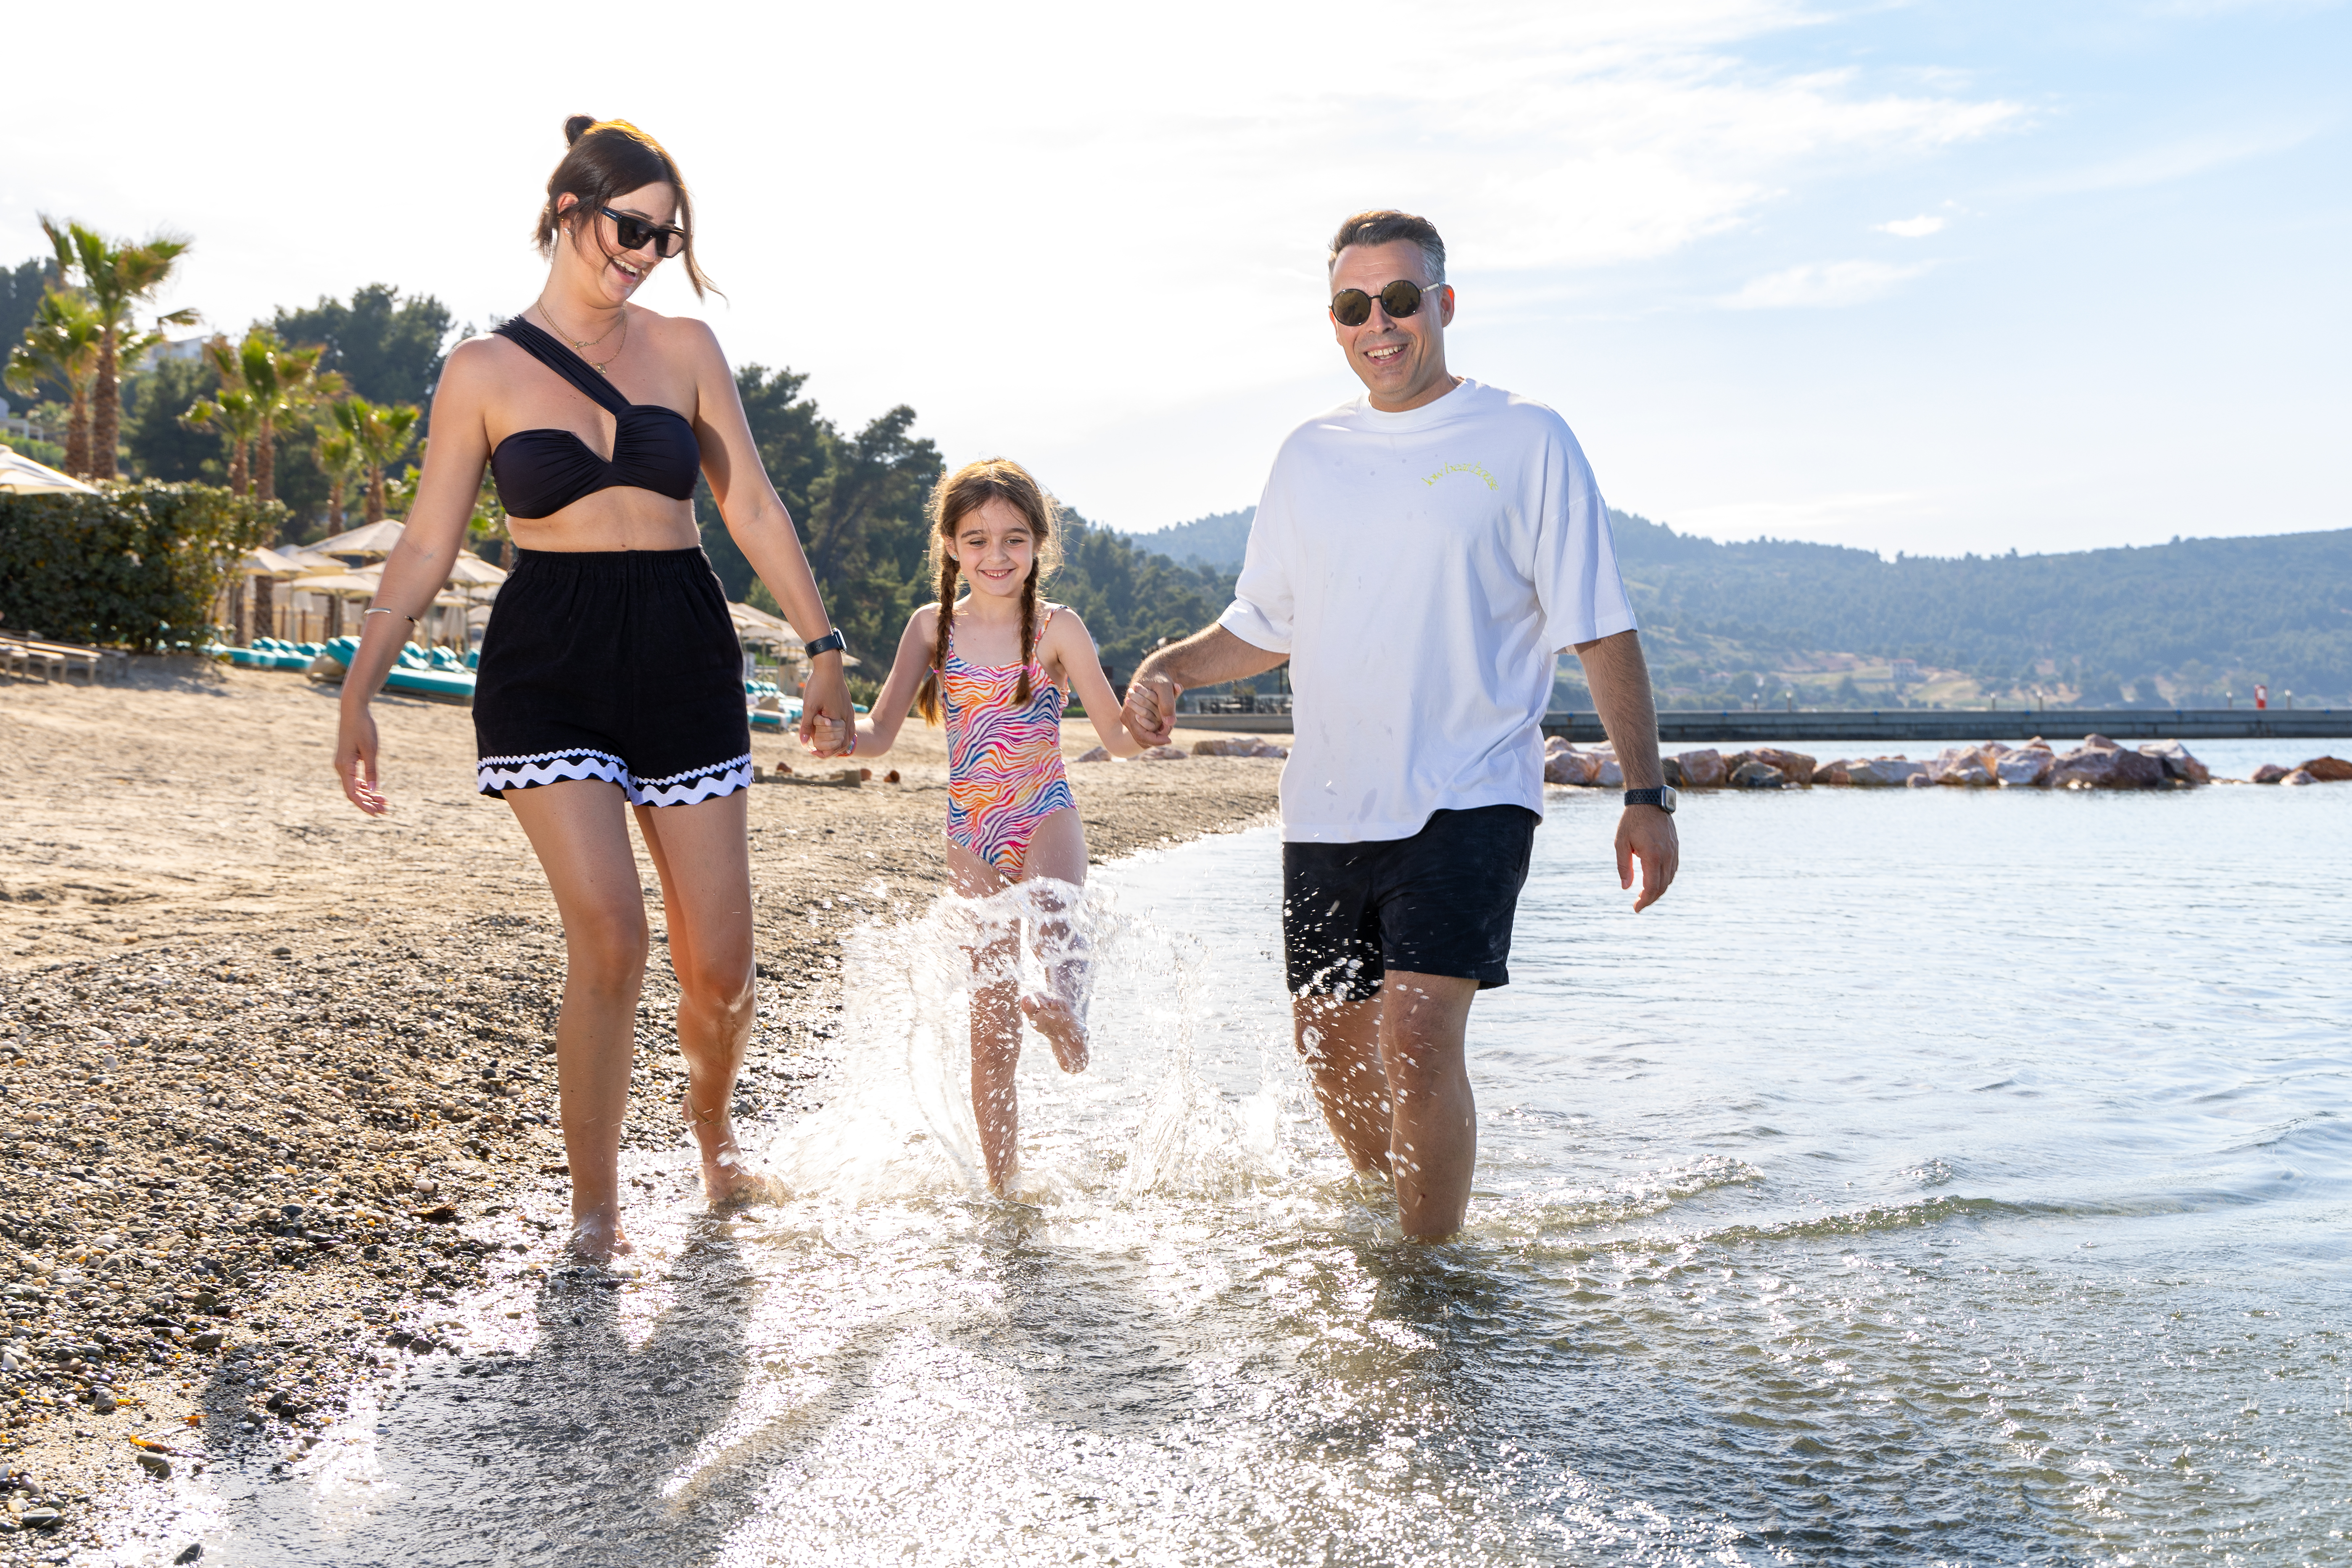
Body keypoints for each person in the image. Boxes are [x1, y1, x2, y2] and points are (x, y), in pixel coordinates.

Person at [332, 116, 857, 1260]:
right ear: (568, 210)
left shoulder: (685, 351)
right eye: (629, 225)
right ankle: (596, 1206)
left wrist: (822, 647)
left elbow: (752, 506)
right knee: (611, 932)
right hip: (548, 656)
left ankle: (712, 1137)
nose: (644, 251)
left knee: (719, 964)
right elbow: (426, 544)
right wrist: (360, 684)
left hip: (680, 641)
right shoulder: (482, 368)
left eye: (665, 237)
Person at [1123, 209, 1680, 1240]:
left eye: (1398, 299)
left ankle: (1433, 1280)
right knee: (1327, 1049)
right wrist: (1168, 668)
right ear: (1333, 322)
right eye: (1351, 306)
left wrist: (1643, 793)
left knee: (1418, 1039)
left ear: (1443, 306)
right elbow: (1264, 624)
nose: (1376, 323)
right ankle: (1406, 1217)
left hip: (1469, 794)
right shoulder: (1308, 454)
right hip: (1328, 803)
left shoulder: (1526, 438)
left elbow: (1596, 624)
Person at [844, 458, 1147, 1191]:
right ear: (950, 546)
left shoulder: (1057, 628)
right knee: (991, 1026)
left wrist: (1146, 725)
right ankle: (1002, 1183)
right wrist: (838, 734)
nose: (997, 555)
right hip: (971, 830)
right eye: (977, 540)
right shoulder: (931, 627)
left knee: (1054, 921)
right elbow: (880, 733)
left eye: (1014, 538)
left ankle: (1070, 1017)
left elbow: (1116, 738)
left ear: (1039, 544)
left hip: (1044, 809)